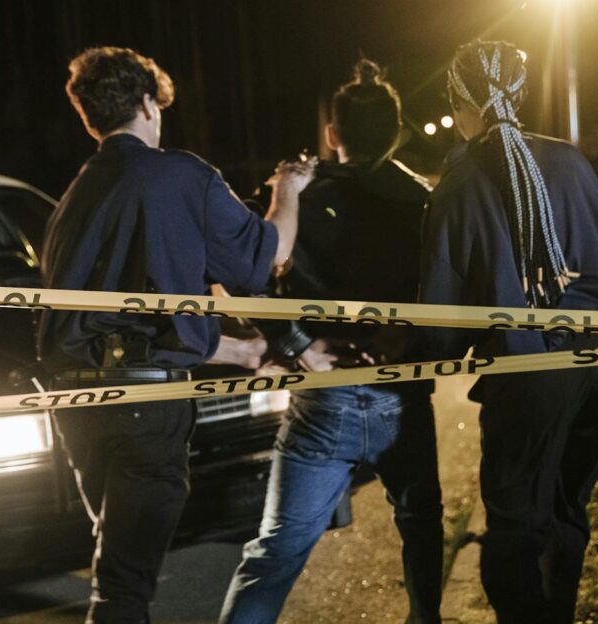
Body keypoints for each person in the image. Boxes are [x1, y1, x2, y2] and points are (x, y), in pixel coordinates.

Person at [38, 46, 313, 624]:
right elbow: (267, 260)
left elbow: (119, 321)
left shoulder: (74, 198)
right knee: (122, 587)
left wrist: (240, 351)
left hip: (78, 404)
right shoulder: (180, 176)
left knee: (117, 560)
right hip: (144, 409)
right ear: (146, 103)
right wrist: (287, 188)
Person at [418, 41, 598, 624]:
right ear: (520, 96)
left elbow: (443, 320)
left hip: (530, 376)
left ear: (456, 101)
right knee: (567, 509)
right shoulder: (570, 161)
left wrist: (426, 359)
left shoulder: (457, 185)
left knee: (515, 530)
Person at [220, 60, 442, 624]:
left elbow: (249, 278)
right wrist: (407, 337)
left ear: (332, 134)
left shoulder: (293, 194)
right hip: (402, 391)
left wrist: (296, 345)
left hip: (324, 396)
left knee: (274, 551)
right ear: (395, 133)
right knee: (420, 523)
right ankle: (425, 617)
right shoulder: (424, 201)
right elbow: (450, 284)